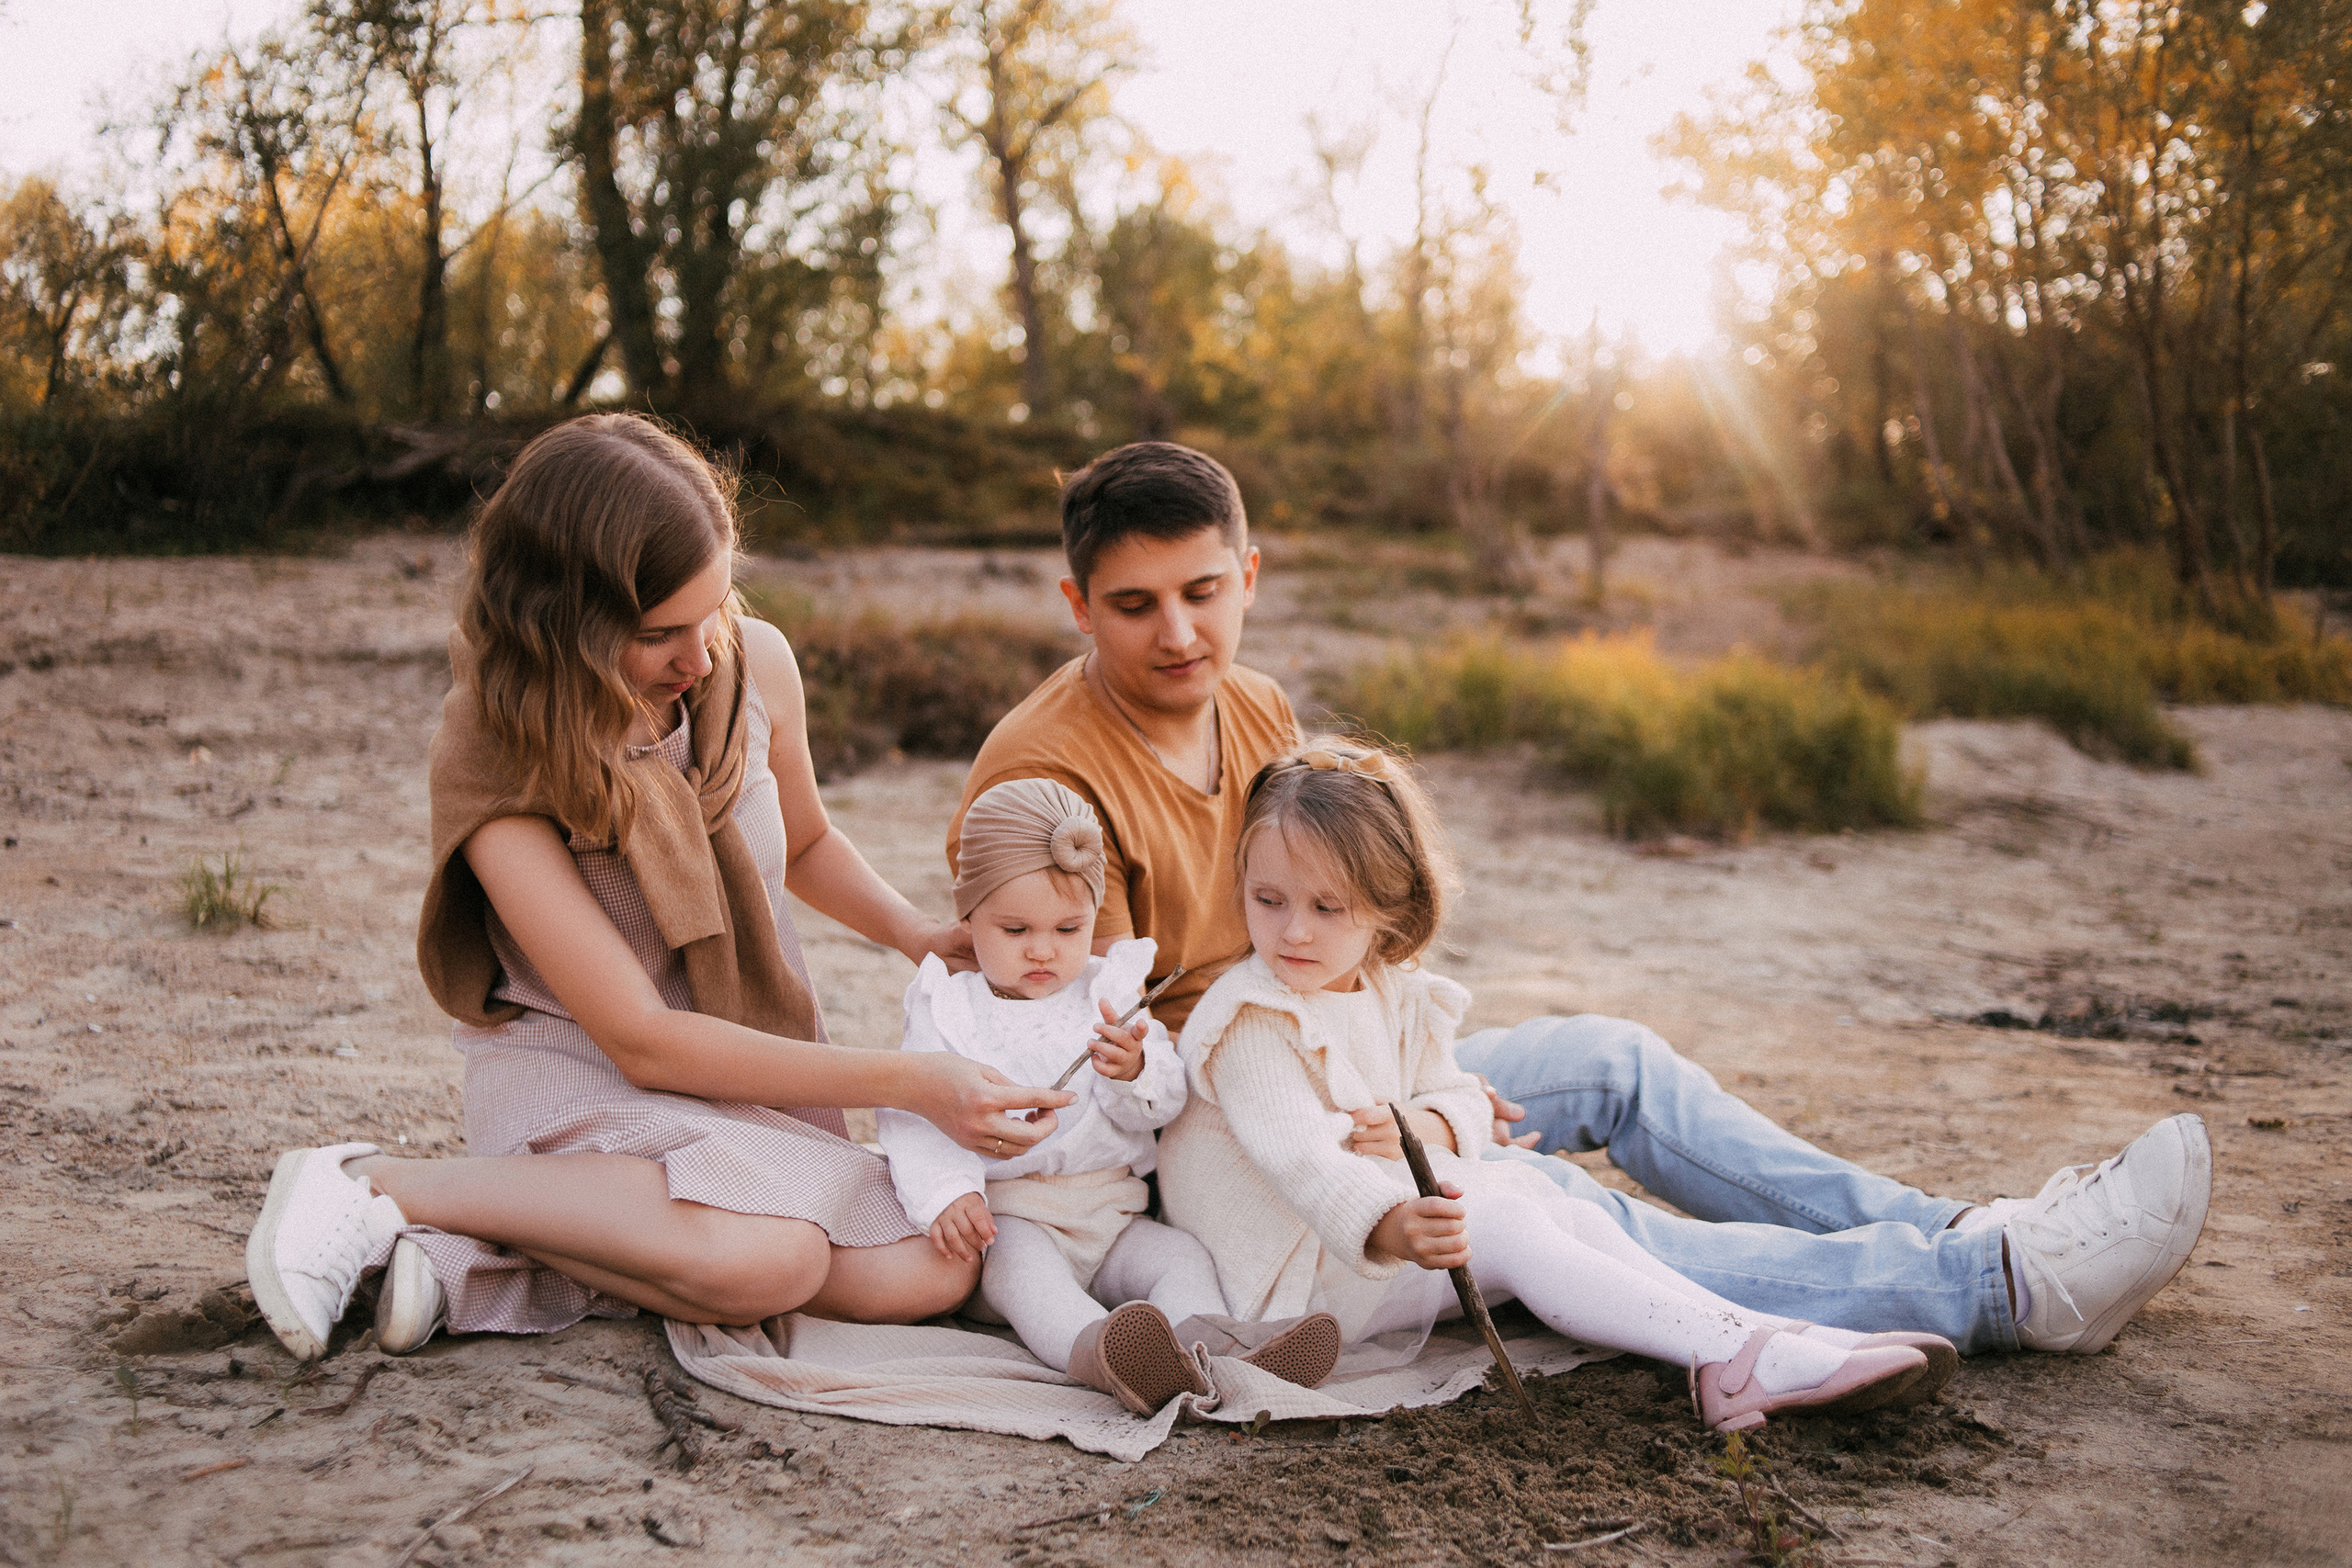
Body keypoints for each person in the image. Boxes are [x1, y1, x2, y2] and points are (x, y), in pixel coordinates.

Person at [950, 438, 2212, 1359]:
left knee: (1612, 1060)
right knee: (1551, 1202)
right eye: (1135, 606)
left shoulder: (1259, 703)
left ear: (1250, 572)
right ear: (1076, 605)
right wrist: (1396, 1109)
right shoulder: (1044, 769)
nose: (1180, 632)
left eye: (1203, 591)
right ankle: (1990, 1283)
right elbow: (1088, 1043)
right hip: (1220, 1140)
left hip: (1338, 1051)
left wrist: (1424, 1067)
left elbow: (1332, 923)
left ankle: (1973, 1226)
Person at [243, 413, 1075, 1363]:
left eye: (714, 610)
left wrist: (914, 931)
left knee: (928, 1268)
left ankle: (485, 1256)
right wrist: (910, 1082)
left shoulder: (753, 665)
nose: (701, 659)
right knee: (771, 1261)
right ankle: (380, 1181)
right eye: (657, 634)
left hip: (740, 1051)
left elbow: (802, 841)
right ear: (561, 626)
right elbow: (640, 1040)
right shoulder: (495, 742)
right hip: (580, 1069)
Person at [1160, 741, 1952, 1430]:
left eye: (1327, 906)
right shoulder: (1252, 1020)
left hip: (1369, 1238)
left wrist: (1435, 1126)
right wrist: (1395, 1222)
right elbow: (1304, 1161)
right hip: (1287, 1280)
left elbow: (1464, 1092)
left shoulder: (1393, 989)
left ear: (1385, 910)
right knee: (1503, 1217)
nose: (1294, 929)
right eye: (1269, 900)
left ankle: (1755, 1340)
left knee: (1551, 1199)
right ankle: (1748, 1349)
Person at [877, 777, 1340, 1412]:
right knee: (1025, 1278)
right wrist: (949, 1193)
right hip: (1012, 1216)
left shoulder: (1109, 990)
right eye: (1015, 929)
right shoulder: (949, 1006)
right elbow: (915, 1116)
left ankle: (1206, 1343)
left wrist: (1136, 1071)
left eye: (1069, 928)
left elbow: (1165, 1103)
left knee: (1179, 1256)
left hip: (1114, 1210)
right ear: (968, 916)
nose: (1043, 949)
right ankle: (1103, 1355)